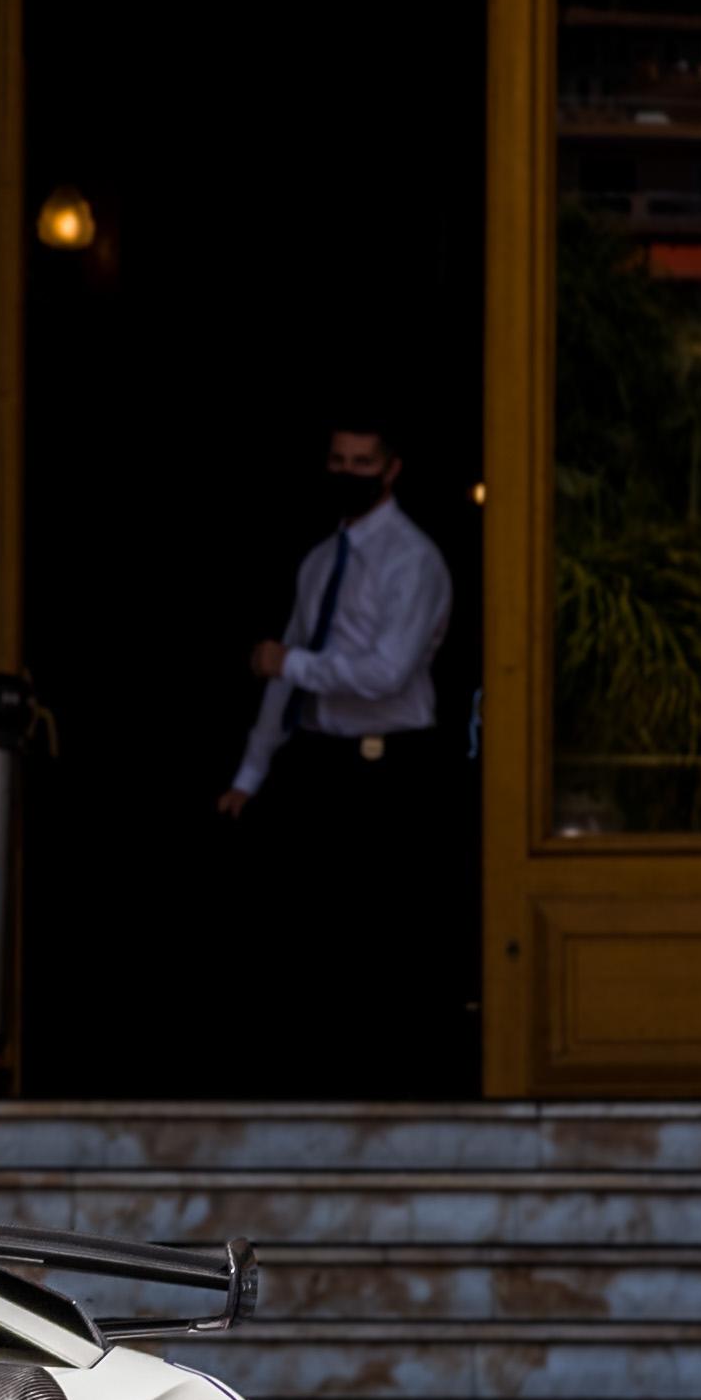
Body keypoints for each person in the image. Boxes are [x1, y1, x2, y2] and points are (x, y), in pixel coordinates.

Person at [217, 413, 457, 1092]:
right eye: (338, 459)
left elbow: (385, 673)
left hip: (391, 770)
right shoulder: (319, 561)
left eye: (363, 461)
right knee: (315, 937)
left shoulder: (415, 560)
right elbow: (281, 684)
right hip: (320, 761)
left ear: (392, 468)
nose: (349, 472)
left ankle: (390, 1088)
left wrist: (292, 663)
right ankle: (316, 1086)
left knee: (383, 940)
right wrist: (250, 775)